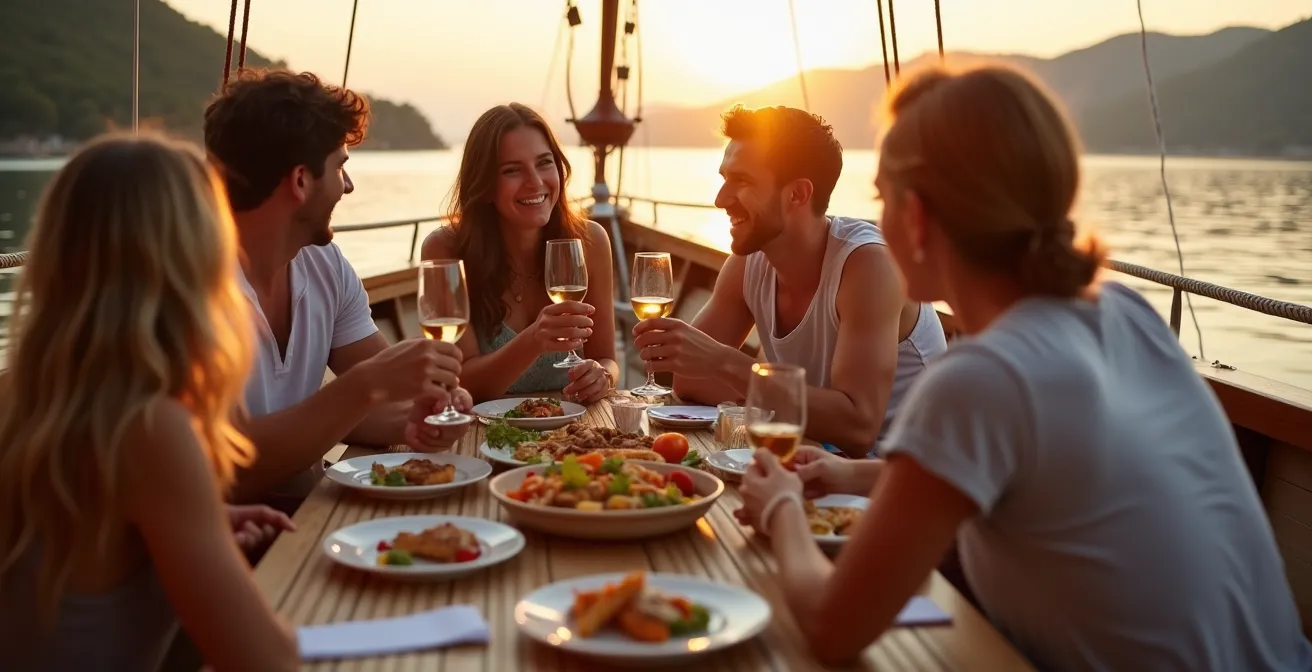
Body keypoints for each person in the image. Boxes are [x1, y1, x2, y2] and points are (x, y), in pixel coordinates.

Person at [735, 62, 1312, 670]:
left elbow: (831, 627)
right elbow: (1027, 471)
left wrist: (781, 510)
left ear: (920, 217)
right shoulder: (1125, 314)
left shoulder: (981, 378)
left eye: (883, 197)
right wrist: (849, 475)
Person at [0, 133, 299, 671]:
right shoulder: (150, 428)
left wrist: (194, 522)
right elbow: (268, 661)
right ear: (198, 264)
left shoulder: (25, 397)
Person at [204, 68, 472, 507]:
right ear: (300, 181)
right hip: (230, 537)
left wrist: (417, 420)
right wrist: (363, 386)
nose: (348, 186)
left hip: (308, 510)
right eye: (340, 167)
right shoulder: (193, 288)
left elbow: (376, 405)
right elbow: (220, 467)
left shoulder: (324, 262)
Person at [632, 105, 945, 458]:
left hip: (898, 479)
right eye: (724, 178)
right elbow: (692, 383)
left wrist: (728, 365)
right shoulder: (748, 262)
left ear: (797, 194)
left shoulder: (869, 266)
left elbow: (858, 429)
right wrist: (758, 386)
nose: (721, 200)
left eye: (743, 181)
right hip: (816, 459)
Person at [421, 103, 619, 404]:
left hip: (571, 434)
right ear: (484, 184)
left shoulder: (590, 241)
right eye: (512, 170)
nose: (536, 182)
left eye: (544, 163)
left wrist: (602, 377)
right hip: (481, 436)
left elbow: (606, 358)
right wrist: (533, 340)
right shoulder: (445, 250)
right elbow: (461, 384)